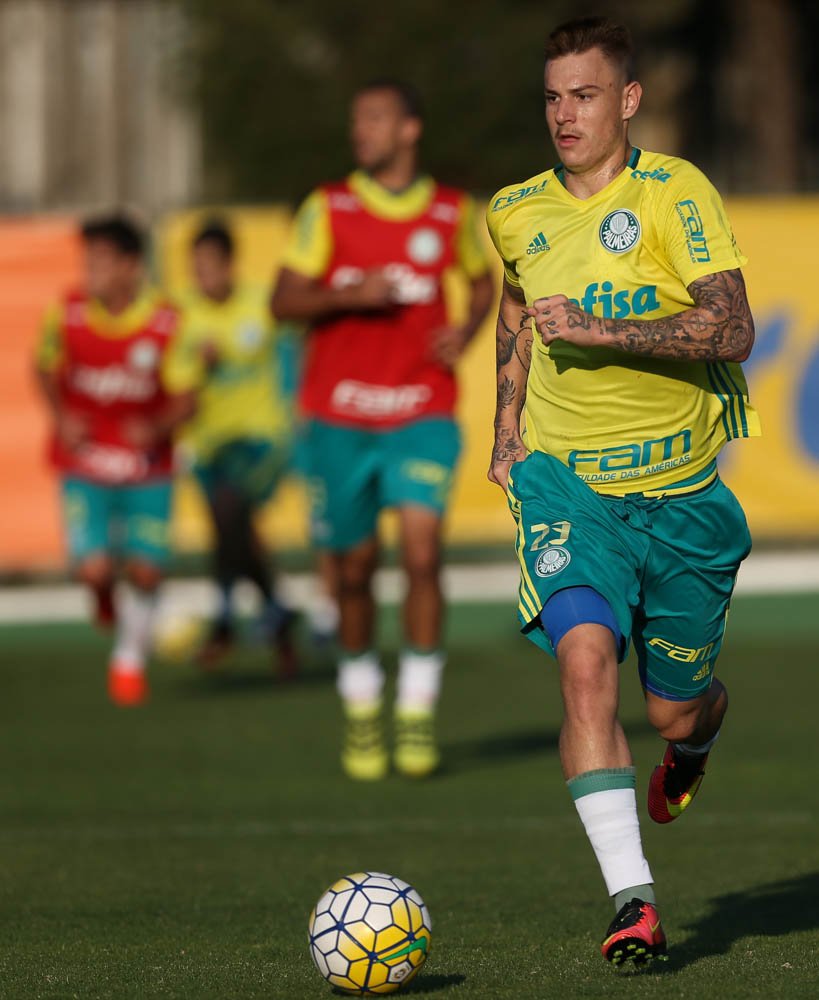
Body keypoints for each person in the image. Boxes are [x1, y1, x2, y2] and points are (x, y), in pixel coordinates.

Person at [485, 16, 759, 967]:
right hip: (570, 490)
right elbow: (514, 309)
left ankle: (690, 748)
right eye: (553, 97)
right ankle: (631, 902)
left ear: (628, 100)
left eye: (586, 94)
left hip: (681, 498)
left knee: (673, 710)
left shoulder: (675, 193)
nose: (565, 114)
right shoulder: (514, 209)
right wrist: (506, 428)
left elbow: (729, 328)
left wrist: (603, 330)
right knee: (583, 663)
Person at [272, 78, 494, 780]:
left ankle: (418, 707)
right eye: (354, 119)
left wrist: (464, 328)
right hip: (339, 418)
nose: (359, 131)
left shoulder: (450, 210)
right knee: (355, 569)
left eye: (373, 118)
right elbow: (282, 299)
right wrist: (348, 293)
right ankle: (362, 699)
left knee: (423, 553)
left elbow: (483, 280)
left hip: (421, 411)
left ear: (409, 129)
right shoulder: (328, 207)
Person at [35, 213, 196, 706]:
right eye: (88, 260)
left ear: (131, 266)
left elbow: (189, 397)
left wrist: (159, 426)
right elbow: (43, 365)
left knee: (146, 572)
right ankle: (103, 596)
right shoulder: (68, 313)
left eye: (102, 261)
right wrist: (61, 414)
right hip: (86, 464)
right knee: (96, 570)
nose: (91, 271)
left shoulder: (167, 322)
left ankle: (128, 659)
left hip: (148, 468)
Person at [164, 220, 297, 675]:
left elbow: (294, 357)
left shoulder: (262, 304)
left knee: (228, 510)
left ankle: (223, 617)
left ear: (229, 264)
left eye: (210, 265)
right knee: (236, 534)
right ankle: (279, 614)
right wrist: (197, 369)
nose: (202, 274)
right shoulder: (179, 314)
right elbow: (174, 380)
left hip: (262, 439)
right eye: (195, 266)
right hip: (208, 443)